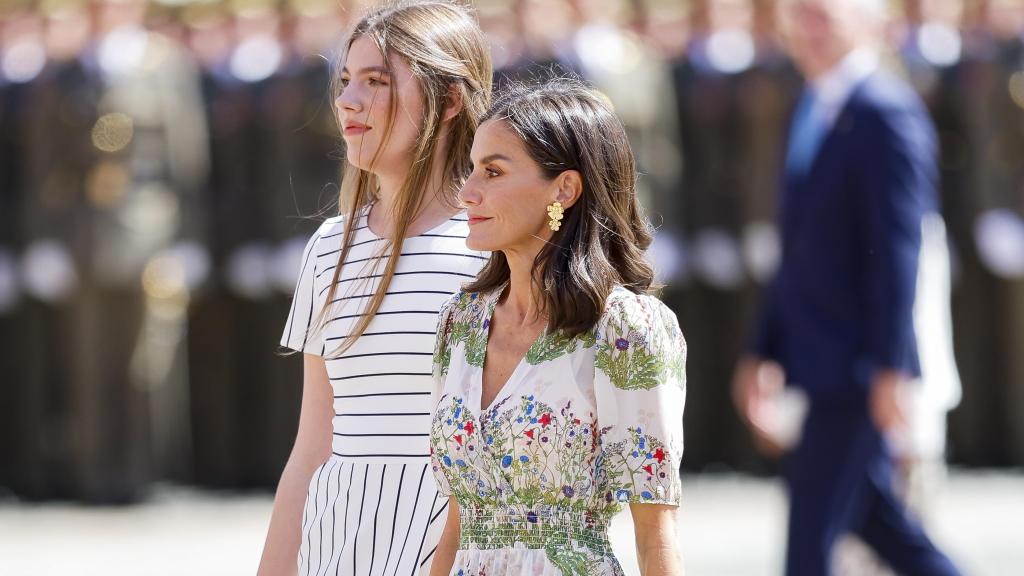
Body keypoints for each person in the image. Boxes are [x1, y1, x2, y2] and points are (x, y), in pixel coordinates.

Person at [259, 2, 493, 574]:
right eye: (344, 81)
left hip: (454, 549)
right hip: (337, 545)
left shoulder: (493, 248)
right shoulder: (327, 248)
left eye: (376, 81)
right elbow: (313, 442)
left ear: (451, 100)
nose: (346, 102)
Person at [731, 0, 963, 574]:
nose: (806, 32)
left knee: (810, 541)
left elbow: (899, 250)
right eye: (799, 17)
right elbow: (801, 248)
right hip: (818, 352)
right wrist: (764, 348)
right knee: (882, 526)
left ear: (868, 26)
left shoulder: (885, 110)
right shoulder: (812, 102)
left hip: (856, 362)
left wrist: (891, 364)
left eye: (822, 17)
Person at [428, 78, 687, 576]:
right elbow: (457, 521)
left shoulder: (625, 328)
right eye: (471, 170)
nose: (466, 193)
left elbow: (656, 534)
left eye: (493, 172)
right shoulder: (458, 324)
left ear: (564, 189)